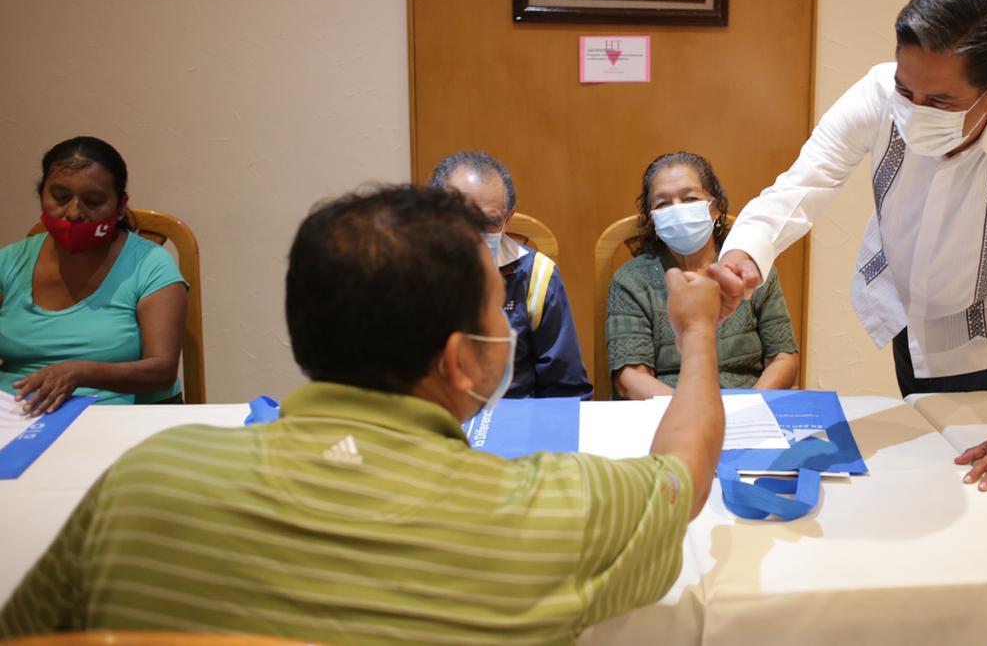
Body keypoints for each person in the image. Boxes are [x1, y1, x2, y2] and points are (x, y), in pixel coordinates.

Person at [0, 185, 729, 642]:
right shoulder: (552, 509)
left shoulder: (145, 481)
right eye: (495, 310)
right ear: (460, 359)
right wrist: (697, 333)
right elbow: (685, 474)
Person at [714, 0, 987, 495]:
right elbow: (802, 184)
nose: (915, 109)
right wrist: (746, 252)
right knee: (915, 454)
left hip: (981, 322)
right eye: (907, 91)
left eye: (941, 100)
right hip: (900, 299)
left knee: (961, 478)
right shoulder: (878, 91)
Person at [0, 136, 188, 414]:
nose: (74, 213)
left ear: (120, 205)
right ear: (41, 195)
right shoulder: (9, 261)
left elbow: (162, 372)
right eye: (60, 197)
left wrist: (81, 373)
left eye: (94, 201)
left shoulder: (150, 265)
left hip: (110, 417)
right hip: (14, 415)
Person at [608, 151, 800, 399]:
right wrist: (693, 410)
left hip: (749, 405)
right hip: (668, 409)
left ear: (715, 208)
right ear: (652, 218)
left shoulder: (750, 270)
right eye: (663, 204)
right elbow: (630, 378)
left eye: (689, 199)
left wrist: (748, 407)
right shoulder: (631, 281)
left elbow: (783, 358)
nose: (677, 210)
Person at [430, 151, 592, 399]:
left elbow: (565, 389)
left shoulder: (536, 275)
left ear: (507, 219)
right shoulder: (402, 272)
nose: (474, 233)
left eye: (490, 222)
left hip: (514, 412)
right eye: (462, 218)